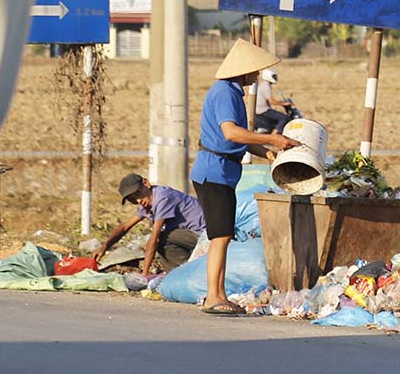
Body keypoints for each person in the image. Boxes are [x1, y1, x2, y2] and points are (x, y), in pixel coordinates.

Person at [191, 39, 299, 316]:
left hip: (222, 172)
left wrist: (268, 152)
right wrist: (273, 139)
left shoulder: (232, 93)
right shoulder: (225, 93)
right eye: (255, 70)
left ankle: (218, 295)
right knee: (220, 237)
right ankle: (214, 297)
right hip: (213, 172)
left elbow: (242, 139)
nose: (257, 74)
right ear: (244, 71)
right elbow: (232, 134)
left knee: (223, 236)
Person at [92, 173, 206, 277]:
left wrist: (144, 274)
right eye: (132, 199)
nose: (138, 201)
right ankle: (183, 273)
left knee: (162, 237)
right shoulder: (147, 203)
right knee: (164, 237)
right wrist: (104, 247)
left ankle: (182, 274)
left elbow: (154, 239)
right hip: (193, 235)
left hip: (205, 235)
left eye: (137, 193)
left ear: (146, 183)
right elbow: (125, 227)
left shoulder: (162, 198)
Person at [254, 68, 297, 134]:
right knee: (284, 118)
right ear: (268, 76)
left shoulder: (263, 85)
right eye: (273, 76)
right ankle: (274, 134)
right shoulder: (265, 86)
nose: (275, 78)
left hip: (260, 110)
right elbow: (272, 101)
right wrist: (284, 103)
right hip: (263, 110)